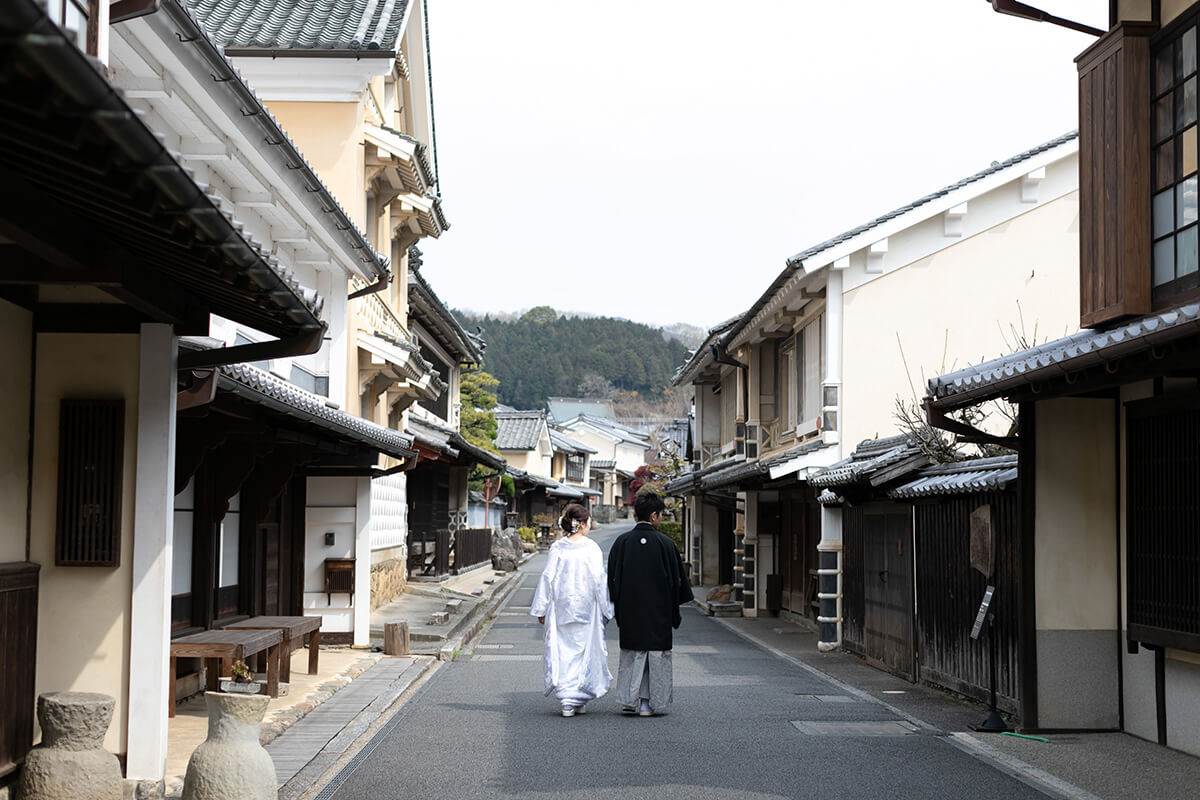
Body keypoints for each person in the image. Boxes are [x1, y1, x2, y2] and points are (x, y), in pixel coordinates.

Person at [607, 491, 691, 716]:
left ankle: (630, 699)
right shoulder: (666, 544)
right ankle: (649, 702)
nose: (661, 518)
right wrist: (674, 610)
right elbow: (677, 583)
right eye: (661, 515)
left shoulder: (622, 543)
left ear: (635, 514)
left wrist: (617, 606)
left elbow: (612, 579)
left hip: (630, 611)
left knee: (633, 653)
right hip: (659, 613)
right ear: (654, 516)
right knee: (655, 655)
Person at [530, 503, 614, 717]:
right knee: (583, 651)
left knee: (564, 651)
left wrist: (541, 608)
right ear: (583, 524)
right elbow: (598, 579)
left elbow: (548, 577)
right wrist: (607, 608)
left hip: (561, 606)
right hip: (586, 606)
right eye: (588, 522)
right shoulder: (591, 548)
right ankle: (575, 697)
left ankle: (570, 699)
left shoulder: (558, 547)